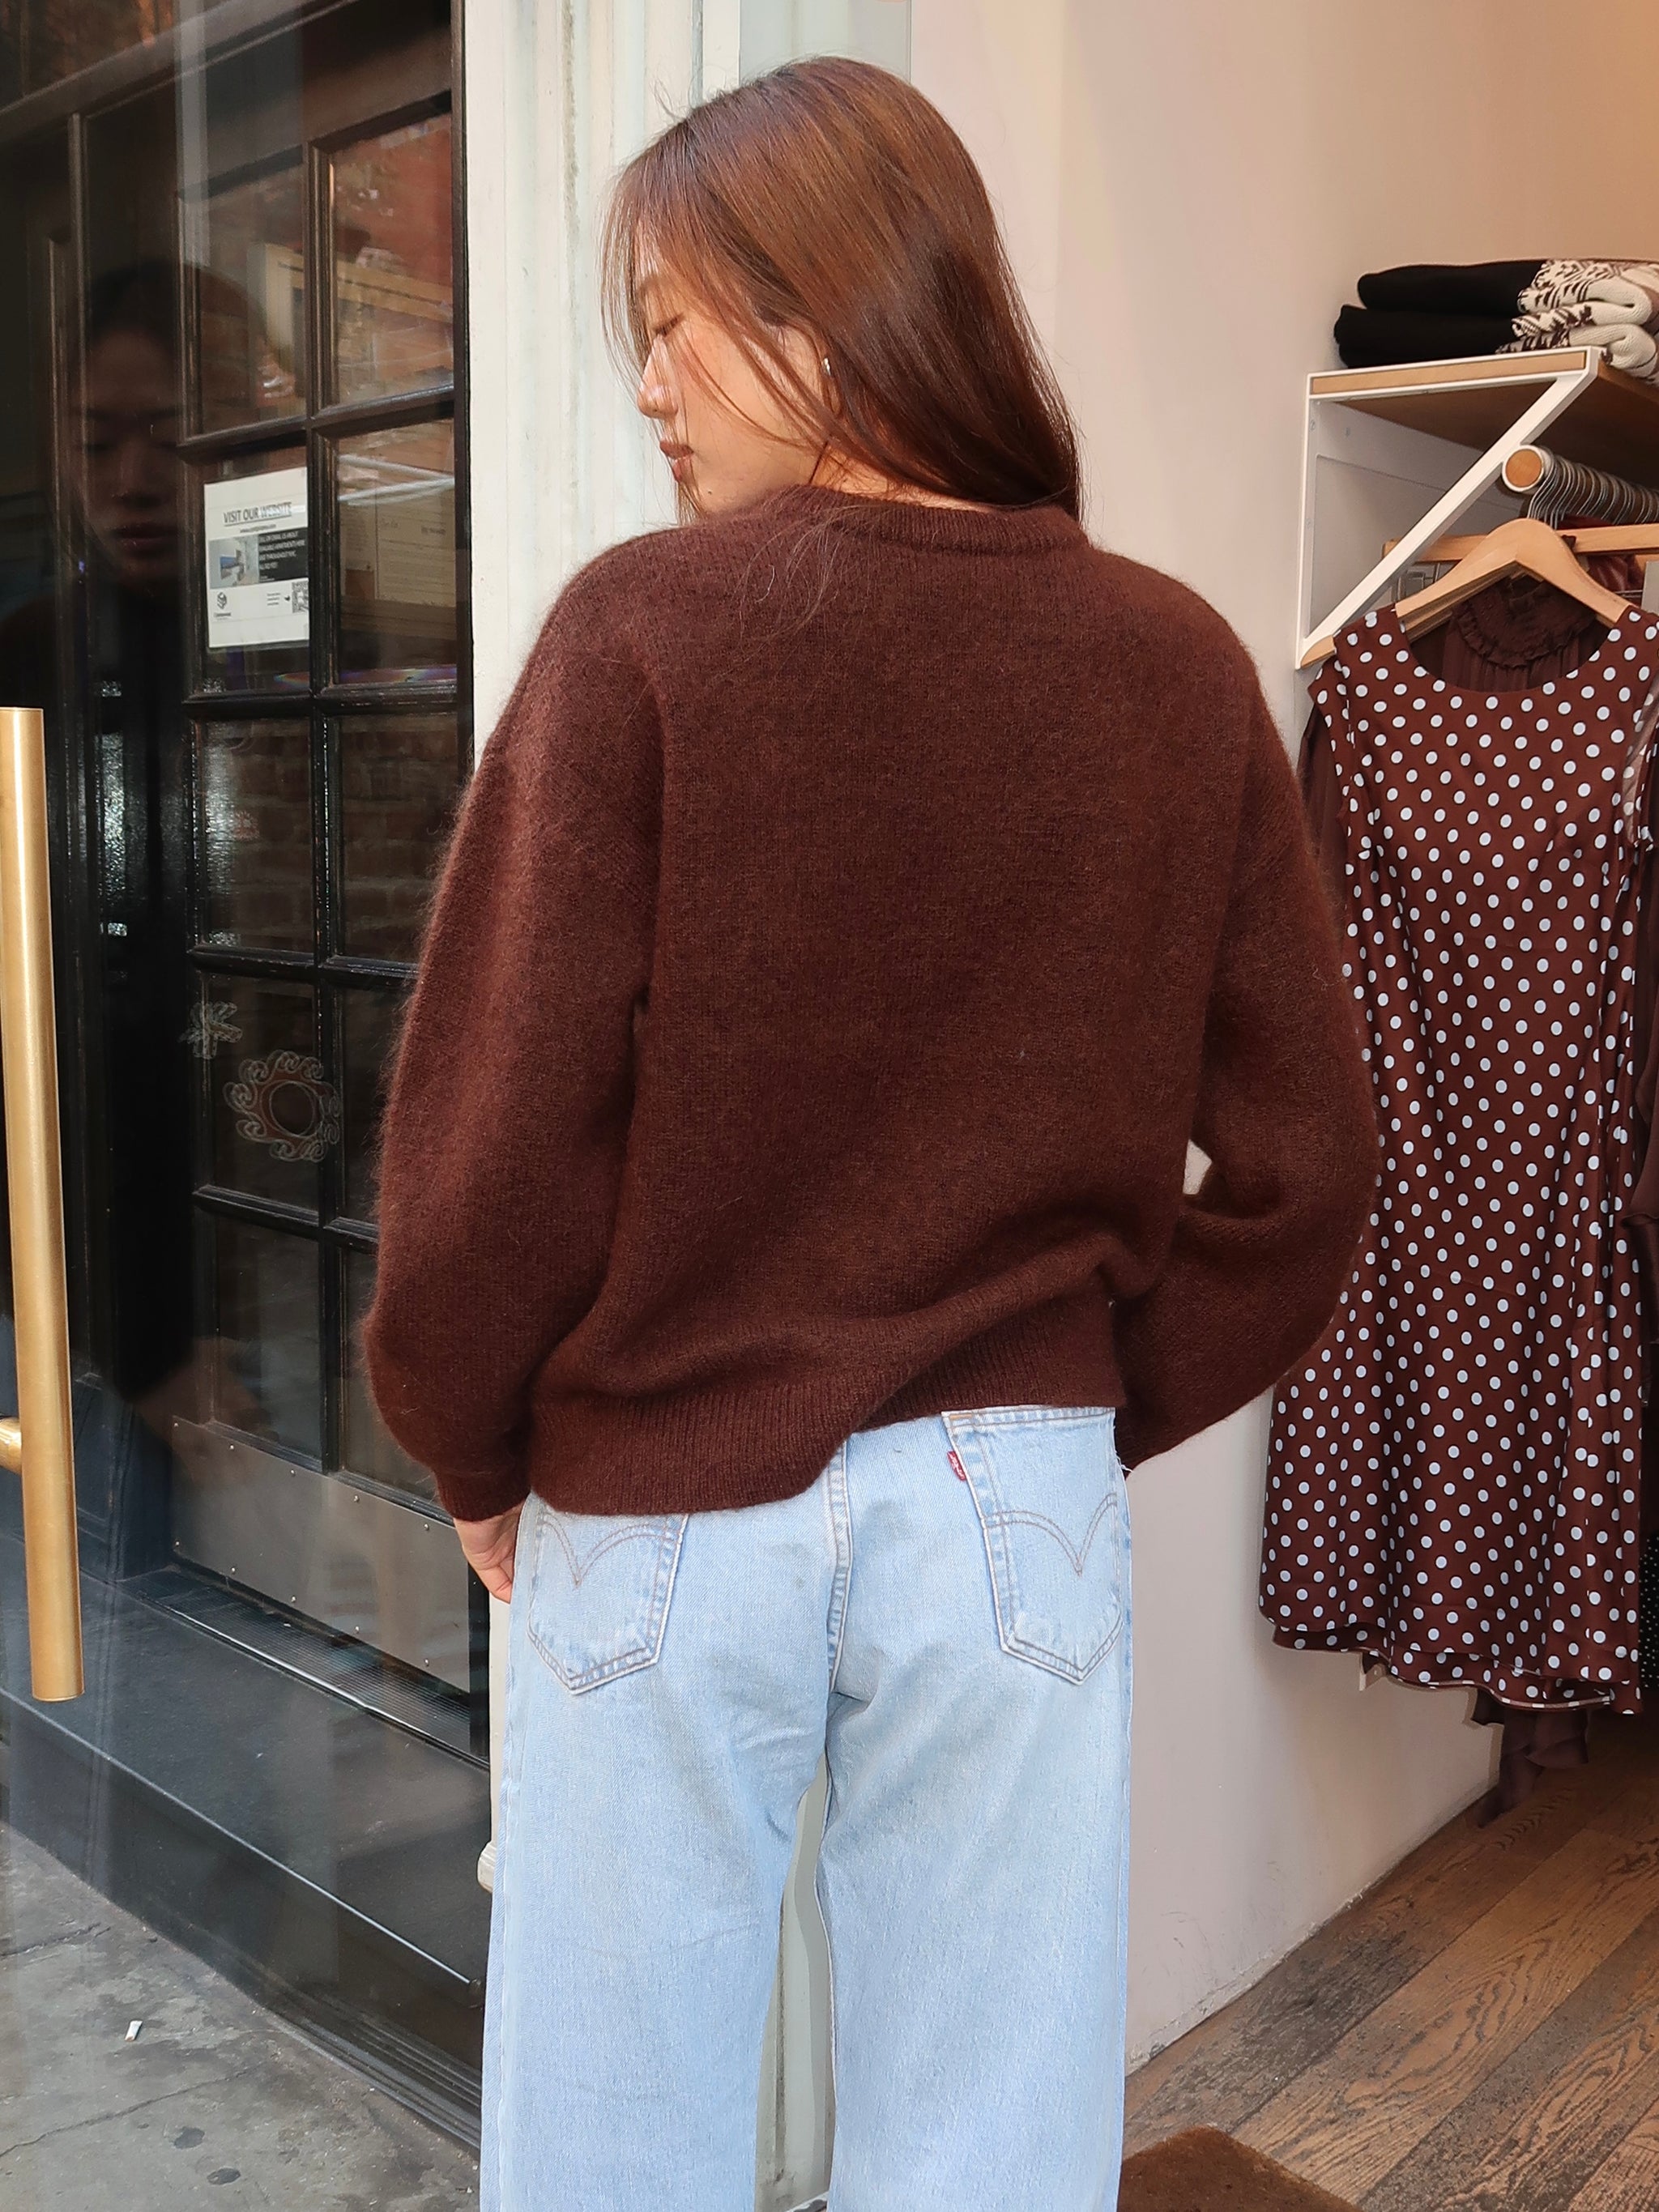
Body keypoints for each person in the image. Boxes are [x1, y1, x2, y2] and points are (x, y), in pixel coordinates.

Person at [365, 57, 1375, 2212]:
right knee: (992, 2152)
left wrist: (468, 1442)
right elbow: (1313, 1168)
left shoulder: (641, 636)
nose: (649, 385)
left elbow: (498, 1141)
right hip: (1010, 1520)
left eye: (672, 323)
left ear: (818, 311)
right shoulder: (1176, 666)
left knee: (609, 2153)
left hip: (659, 1498)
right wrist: (1062, 1394)